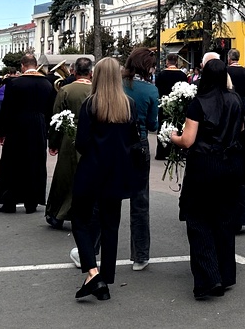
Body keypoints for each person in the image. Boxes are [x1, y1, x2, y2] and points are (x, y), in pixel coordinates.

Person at [171, 59, 245, 299]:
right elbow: (242, 130)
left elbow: (188, 140)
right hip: (231, 165)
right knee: (224, 220)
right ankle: (225, 275)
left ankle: (208, 278)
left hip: (204, 165)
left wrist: (173, 137)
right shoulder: (236, 100)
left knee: (199, 220)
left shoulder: (198, 104)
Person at [70, 57, 140, 302]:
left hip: (91, 170)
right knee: (111, 224)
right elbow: (134, 139)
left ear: (97, 76)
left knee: (80, 220)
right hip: (118, 172)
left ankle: (92, 271)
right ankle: (106, 276)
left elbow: (81, 142)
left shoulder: (91, 105)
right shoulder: (128, 105)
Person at [0, 54, 53, 214]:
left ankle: (9, 200)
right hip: (39, 125)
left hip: (18, 125)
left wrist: (2, 131)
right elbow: (50, 109)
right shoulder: (47, 84)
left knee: (13, 162)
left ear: (23, 65)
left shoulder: (15, 83)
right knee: (35, 162)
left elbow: (7, 109)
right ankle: (32, 201)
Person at [122, 48, 160, 270]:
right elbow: (154, 125)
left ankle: (91, 249)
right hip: (139, 144)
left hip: (115, 143)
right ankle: (140, 255)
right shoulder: (150, 90)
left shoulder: (118, 85)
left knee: (105, 197)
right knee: (140, 201)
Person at [47, 58, 92, 228]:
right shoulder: (97, 90)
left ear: (73, 72)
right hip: (90, 137)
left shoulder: (65, 90)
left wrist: (53, 143)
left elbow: (56, 118)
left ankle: (57, 213)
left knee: (65, 176)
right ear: (91, 72)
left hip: (69, 136)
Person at [155, 53, 189, 162]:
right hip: (178, 106)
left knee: (163, 126)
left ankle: (162, 151)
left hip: (164, 105)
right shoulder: (182, 75)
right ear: (176, 61)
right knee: (177, 127)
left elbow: (158, 89)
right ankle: (176, 150)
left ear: (167, 62)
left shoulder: (161, 75)